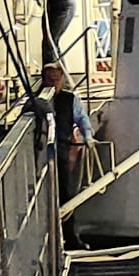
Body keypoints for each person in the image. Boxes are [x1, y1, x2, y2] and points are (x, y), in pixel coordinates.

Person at [42, 63, 95, 250]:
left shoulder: (70, 99)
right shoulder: (36, 100)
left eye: (56, 79)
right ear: (43, 80)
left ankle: (70, 237)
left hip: (61, 152)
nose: (53, 83)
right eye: (49, 79)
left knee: (65, 194)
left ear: (62, 80)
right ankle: (46, 240)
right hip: (39, 155)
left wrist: (87, 137)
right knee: (42, 197)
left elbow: (82, 119)